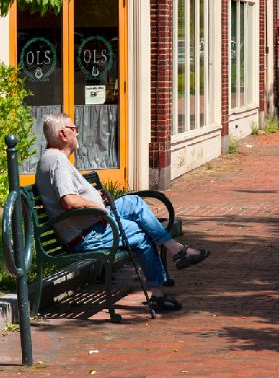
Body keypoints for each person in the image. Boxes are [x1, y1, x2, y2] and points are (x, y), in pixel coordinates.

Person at [36, 112, 210, 312]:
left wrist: (95, 198)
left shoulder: (52, 159)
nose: (78, 133)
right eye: (74, 129)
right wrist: (97, 207)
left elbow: (70, 197)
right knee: (142, 234)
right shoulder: (58, 162)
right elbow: (68, 200)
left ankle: (175, 249)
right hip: (86, 235)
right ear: (62, 134)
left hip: (89, 225)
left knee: (134, 202)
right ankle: (160, 291)